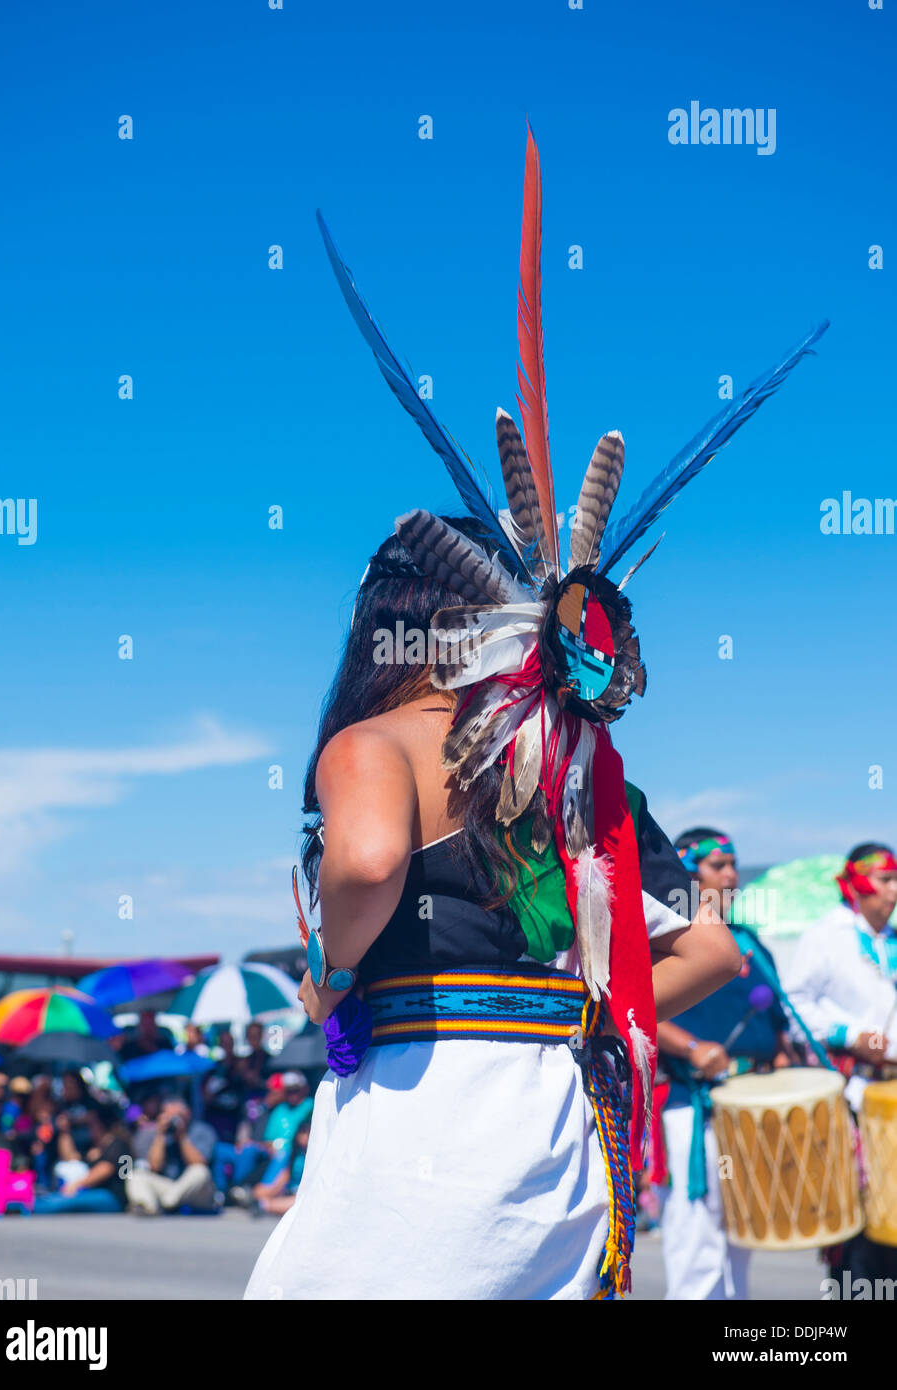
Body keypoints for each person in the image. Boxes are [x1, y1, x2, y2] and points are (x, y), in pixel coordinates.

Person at [244, 128, 822, 1301]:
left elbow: (360, 863)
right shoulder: (580, 761)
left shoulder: (375, 744)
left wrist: (328, 966)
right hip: (552, 1130)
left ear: (395, 625)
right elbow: (711, 941)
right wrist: (578, 1012)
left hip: (420, 1129)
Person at [653, 828, 794, 1300]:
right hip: (694, 1107)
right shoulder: (664, 941)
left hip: (748, 1111)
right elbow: (637, 1011)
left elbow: (777, 1029)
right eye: (719, 865)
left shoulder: (751, 945)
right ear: (689, 872)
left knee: (740, 1244)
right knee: (697, 1244)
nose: (732, 874)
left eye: (734, 864)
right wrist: (692, 1048)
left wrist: (784, 1067)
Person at [785, 841, 897, 1284]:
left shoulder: (890, 940)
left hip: (890, 1098)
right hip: (853, 1098)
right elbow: (793, 1006)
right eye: (886, 880)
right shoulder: (827, 935)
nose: (893, 892)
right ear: (856, 882)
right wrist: (850, 1036)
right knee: (860, 1224)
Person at [32, 1103, 132, 1214]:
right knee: (56, 1198)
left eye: (91, 1123)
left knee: (64, 1202)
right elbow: (70, 1157)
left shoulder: (118, 1144)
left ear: (101, 1124)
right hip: (95, 1192)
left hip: (113, 1197)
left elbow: (106, 1169)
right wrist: (65, 1131)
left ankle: (30, 1208)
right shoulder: (96, 1147)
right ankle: (26, 1204)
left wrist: (77, 1184)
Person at [125, 1096, 217, 1215]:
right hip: (172, 1187)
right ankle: (146, 1206)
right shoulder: (156, 1133)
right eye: (169, 1116)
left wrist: (182, 1137)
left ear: (187, 1113)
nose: (173, 1121)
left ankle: (166, 1203)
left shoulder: (202, 1131)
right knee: (136, 1175)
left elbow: (198, 1162)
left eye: (177, 1116)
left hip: (197, 1192)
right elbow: (154, 1167)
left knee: (200, 1171)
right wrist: (160, 1135)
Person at [251, 1119, 311, 1216]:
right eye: (302, 1132)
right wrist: (271, 1190)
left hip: (301, 1193)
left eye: (308, 1133)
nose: (304, 1137)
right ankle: (267, 1204)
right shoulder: (293, 1155)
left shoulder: (312, 1157)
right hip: (288, 1191)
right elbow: (284, 1177)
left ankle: (266, 1206)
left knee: (296, 1202)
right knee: (259, 1191)